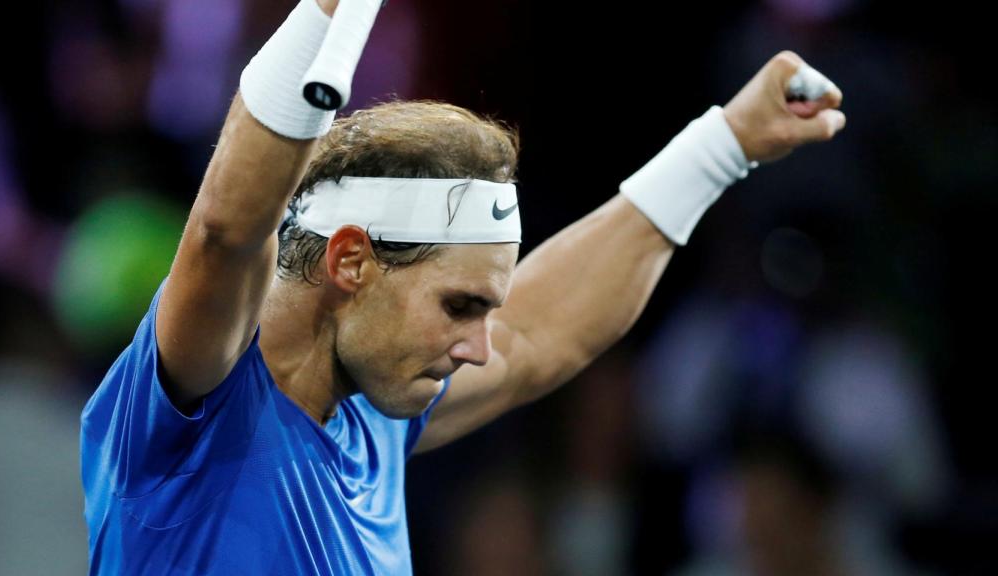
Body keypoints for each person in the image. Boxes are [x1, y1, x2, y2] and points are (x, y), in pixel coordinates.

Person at [79, 0, 846, 573]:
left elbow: (543, 334)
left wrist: (723, 147)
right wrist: (332, 15)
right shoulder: (196, 402)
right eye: (460, 305)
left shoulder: (377, 408)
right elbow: (225, 232)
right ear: (349, 264)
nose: (480, 347)